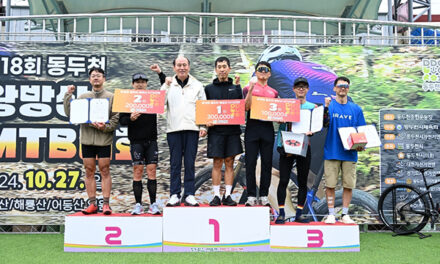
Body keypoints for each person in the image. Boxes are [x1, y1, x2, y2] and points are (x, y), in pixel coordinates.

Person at [63, 67, 119, 215]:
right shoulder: (82, 97)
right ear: (89, 80)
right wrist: (68, 95)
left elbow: (115, 118)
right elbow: (71, 113)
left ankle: (106, 204)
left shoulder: (111, 96)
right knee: (89, 171)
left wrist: (104, 127)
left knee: (105, 169)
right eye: (93, 76)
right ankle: (92, 203)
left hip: (104, 140)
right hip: (87, 139)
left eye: (98, 76)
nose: (96, 78)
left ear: (104, 79)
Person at [161, 56, 207, 207]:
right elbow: (160, 105)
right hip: (173, 129)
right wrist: (165, 86)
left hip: (192, 129)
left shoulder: (197, 85)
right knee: (175, 163)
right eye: (179, 65)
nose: (182, 68)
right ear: (174, 67)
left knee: (189, 163)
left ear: (189, 67)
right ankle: (174, 194)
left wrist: (203, 126)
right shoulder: (169, 85)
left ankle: (189, 194)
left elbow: (202, 106)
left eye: (184, 65)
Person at [323, 76, 366, 224]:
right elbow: (323, 124)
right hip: (332, 151)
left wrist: (362, 145)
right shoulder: (330, 106)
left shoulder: (356, 109)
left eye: (346, 86)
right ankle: (331, 214)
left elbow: (361, 131)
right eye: (340, 85)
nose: (343, 88)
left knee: (348, 184)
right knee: (330, 184)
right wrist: (326, 108)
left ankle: (345, 214)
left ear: (348, 89)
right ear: (334, 88)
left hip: (350, 152)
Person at [119, 72, 163, 215]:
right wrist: (130, 118)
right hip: (136, 141)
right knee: (137, 171)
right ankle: (138, 204)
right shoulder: (127, 100)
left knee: (152, 171)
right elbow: (121, 120)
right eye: (137, 82)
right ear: (132, 84)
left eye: (143, 81)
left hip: (151, 140)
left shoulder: (153, 98)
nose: (140, 84)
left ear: (146, 84)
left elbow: (164, 89)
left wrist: (161, 74)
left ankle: (153, 204)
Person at [275, 77, 315, 224]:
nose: (301, 89)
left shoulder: (312, 107)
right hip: (287, 145)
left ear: (307, 89)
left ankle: (299, 213)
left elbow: (317, 125)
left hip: (304, 145)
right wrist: (279, 120)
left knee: (302, 181)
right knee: (284, 180)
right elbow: (276, 119)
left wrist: (312, 131)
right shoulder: (286, 105)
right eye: (298, 87)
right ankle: (281, 213)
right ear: (294, 89)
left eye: (304, 87)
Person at [204, 56, 243, 206]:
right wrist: (205, 124)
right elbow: (204, 110)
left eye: (224, 66)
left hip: (232, 131)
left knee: (229, 162)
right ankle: (216, 195)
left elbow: (239, 108)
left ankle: (227, 195)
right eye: (219, 67)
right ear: (215, 69)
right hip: (216, 132)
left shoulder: (235, 87)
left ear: (229, 69)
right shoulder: (208, 89)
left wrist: (239, 86)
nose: (222, 69)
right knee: (217, 162)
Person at [243, 61, 278, 206]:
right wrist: (251, 90)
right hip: (252, 127)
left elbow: (277, 112)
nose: (263, 72)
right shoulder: (247, 87)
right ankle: (251, 195)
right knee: (250, 162)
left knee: (267, 163)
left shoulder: (273, 92)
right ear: (256, 72)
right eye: (260, 69)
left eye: (266, 70)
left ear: (269, 73)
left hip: (267, 129)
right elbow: (246, 107)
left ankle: (264, 195)